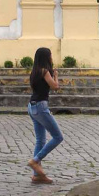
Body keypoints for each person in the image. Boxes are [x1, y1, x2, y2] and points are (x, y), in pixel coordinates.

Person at [26, 47, 63, 184]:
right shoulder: (45, 71)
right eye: (50, 55)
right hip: (41, 107)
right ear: (46, 57)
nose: (52, 57)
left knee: (40, 140)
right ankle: (35, 161)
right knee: (58, 137)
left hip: (32, 107)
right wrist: (56, 76)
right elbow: (55, 87)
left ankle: (37, 176)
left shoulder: (34, 72)